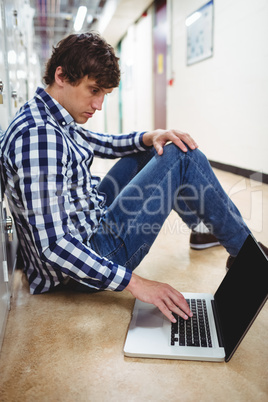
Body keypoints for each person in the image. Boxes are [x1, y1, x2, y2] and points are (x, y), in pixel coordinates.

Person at [1, 32, 266, 324]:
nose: (99, 104)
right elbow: (54, 246)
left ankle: (203, 228)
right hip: (87, 259)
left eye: (104, 94)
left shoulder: (46, 115)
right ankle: (251, 261)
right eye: (94, 90)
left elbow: (102, 142)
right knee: (184, 156)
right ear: (61, 76)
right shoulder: (39, 138)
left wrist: (151, 136)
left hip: (90, 219)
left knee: (155, 148)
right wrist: (136, 283)